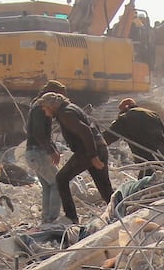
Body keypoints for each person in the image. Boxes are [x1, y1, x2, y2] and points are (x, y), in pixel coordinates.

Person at [38, 92, 112, 224]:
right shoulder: (73, 108)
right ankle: (119, 211)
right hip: (99, 147)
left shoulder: (66, 113)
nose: (44, 111)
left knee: (61, 179)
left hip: (87, 151)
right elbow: (93, 124)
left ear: (52, 105)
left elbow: (85, 132)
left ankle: (71, 217)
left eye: (44, 107)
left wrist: (93, 156)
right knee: (104, 185)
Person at [24, 80, 68, 223]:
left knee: (48, 186)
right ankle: (51, 219)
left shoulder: (37, 106)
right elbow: (39, 133)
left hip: (34, 153)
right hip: (38, 152)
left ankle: (46, 219)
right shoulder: (40, 109)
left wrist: (53, 148)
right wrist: (51, 150)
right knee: (58, 183)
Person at [103, 98, 164, 179]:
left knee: (146, 183)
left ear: (125, 108)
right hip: (163, 154)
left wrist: (96, 144)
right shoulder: (152, 113)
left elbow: (108, 137)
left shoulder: (125, 117)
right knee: (159, 179)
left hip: (148, 157)